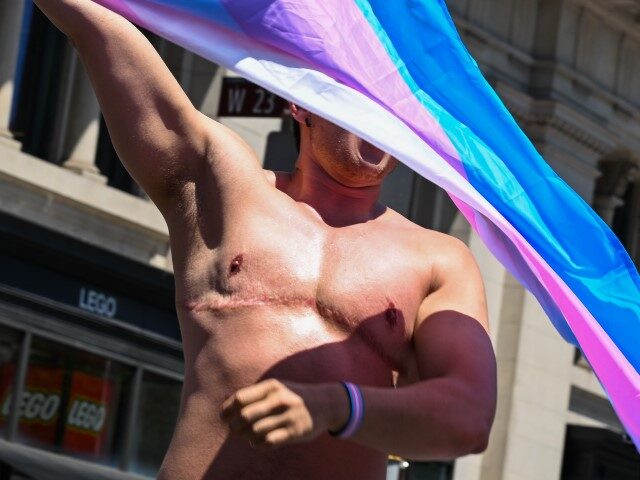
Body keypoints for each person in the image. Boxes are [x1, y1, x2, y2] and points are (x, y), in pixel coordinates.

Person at [33, 1, 497, 479]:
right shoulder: (226, 187)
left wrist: (337, 406)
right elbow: (95, 29)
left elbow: (468, 416)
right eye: (360, 93)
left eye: (395, 102)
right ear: (301, 102)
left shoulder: (440, 260)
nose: (382, 114)